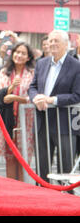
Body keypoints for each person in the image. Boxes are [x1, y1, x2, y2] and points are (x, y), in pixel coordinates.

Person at [28, 30, 80, 182]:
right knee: (42, 167)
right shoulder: (41, 63)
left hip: (64, 124)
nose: (52, 44)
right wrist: (36, 97)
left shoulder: (76, 66)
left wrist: (52, 100)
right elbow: (33, 86)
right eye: (50, 41)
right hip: (42, 122)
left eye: (56, 41)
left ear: (66, 44)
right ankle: (42, 198)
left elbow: (77, 95)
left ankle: (66, 199)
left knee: (65, 168)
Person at [0, 42, 35, 181]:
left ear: (28, 57)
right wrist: (10, 89)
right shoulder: (4, 72)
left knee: (22, 158)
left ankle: (22, 188)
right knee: (9, 156)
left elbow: (34, 95)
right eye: (17, 52)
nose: (19, 55)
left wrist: (16, 98)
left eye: (23, 53)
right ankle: (11, 188)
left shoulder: (32, 73)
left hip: (25, 121)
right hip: (8, 120)